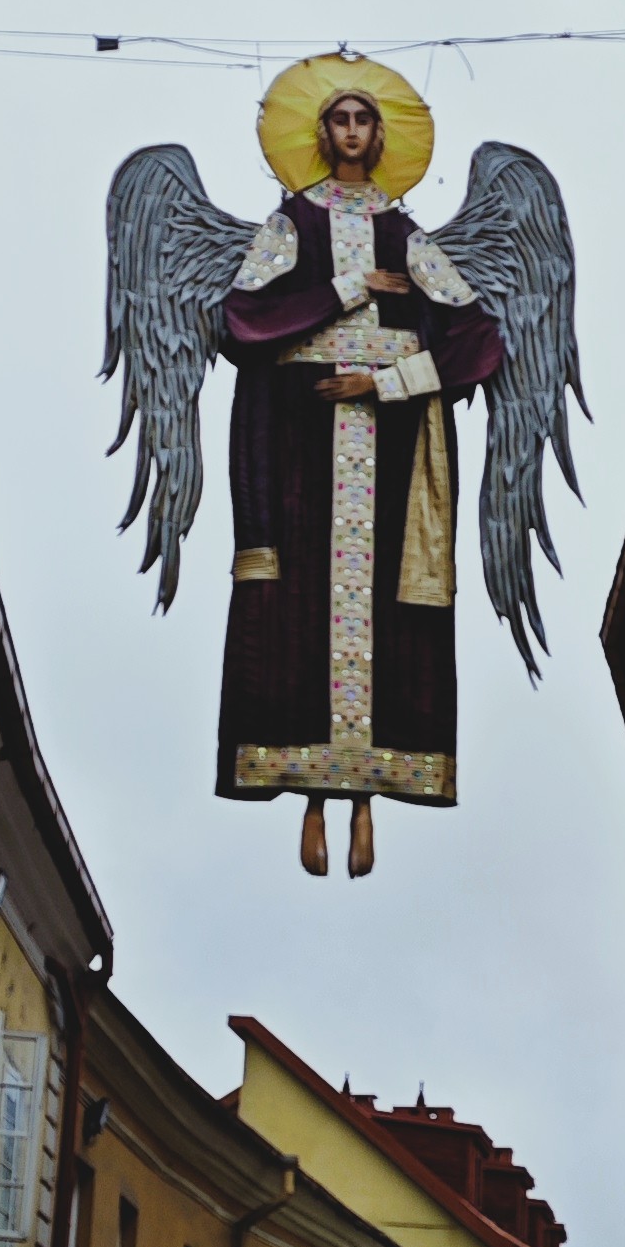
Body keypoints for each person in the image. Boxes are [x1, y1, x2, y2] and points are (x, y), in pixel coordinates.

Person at [217, 68, 506, 880]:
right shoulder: (291, 223)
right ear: (321, 134)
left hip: (389, 441)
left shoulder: (409, 237)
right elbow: (243, 318)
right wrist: (348, 288)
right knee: (301, 611)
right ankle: (310, 801)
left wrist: (383, 383)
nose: (350, 130)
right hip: (298, 444)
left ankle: (371, 798)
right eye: (339, 118)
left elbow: (476, 339)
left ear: (381, 139)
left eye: (363, 120)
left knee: (388, 614)